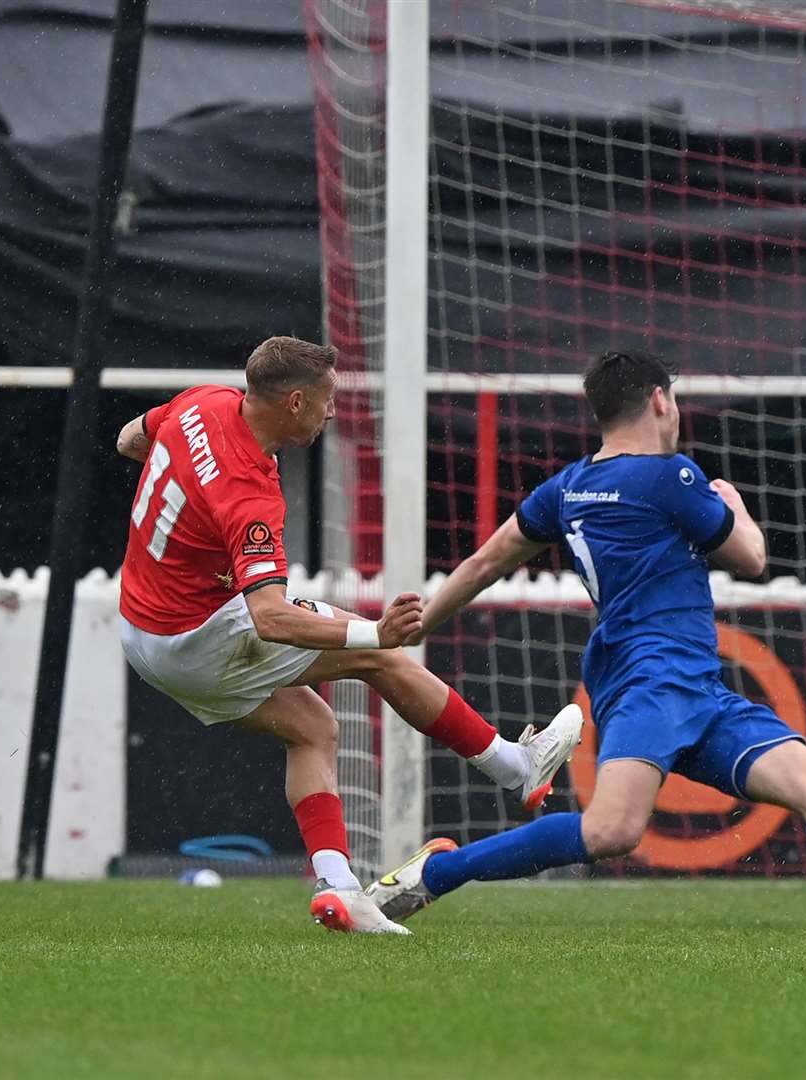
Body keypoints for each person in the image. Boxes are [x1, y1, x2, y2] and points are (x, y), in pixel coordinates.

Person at [363, 349, 806, 932]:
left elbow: (480, 565)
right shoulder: (673, 477)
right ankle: (436, 872)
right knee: (612, 830)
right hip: (650, 680)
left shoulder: (567, 487)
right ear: (661, 400)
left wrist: (413, 629)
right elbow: (750, 558)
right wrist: (737, 503)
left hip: (696, 688)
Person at [115, 336, 580, 935]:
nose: (333, 411)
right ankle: (517, 769)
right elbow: (271, 618)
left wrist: (191, 513)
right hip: (200, 634)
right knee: (381, 660)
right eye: (328, 399)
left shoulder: (200, 402)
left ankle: (338, 889)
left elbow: (131, 439)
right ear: (295, 402)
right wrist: (376, 633)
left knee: (313, 728)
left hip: (142, 630)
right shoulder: (251, 494)